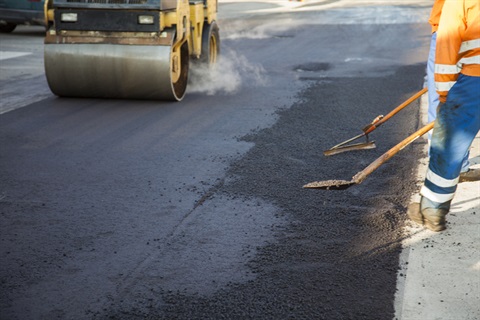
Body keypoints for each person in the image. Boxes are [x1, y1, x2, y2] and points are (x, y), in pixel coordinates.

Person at [408, 0, 480, 232]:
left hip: (474, 78)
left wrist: (444, 94)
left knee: (449, 141)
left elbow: (448, 42)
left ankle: (433, 207)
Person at [427, 0, 473, 179]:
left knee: (441, 95)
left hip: (449, 28)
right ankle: (455, 165)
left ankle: (443, 167)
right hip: (468, 27)